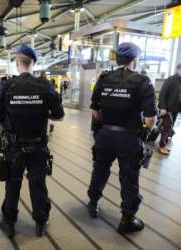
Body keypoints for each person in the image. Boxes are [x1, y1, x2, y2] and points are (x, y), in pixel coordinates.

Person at [0, 45, 64, 238]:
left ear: (17, 63)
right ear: (34, 63)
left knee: (13, 184)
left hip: (14, 146)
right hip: (38, 146)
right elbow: (60, 116)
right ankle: (41, 222)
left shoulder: (6, 87)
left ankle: (9, 223)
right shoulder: (45, 86)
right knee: (37, 184)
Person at [87, 42, 157, 234]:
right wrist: (142, 127)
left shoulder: (104, 78)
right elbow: (151, 120)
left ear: (117, 59)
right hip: (129, 138)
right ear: (135, 60)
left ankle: (93, 203)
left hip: (104, 136)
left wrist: (107, 123)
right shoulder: (143, 81)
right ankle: (127, 219)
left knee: (100, 170)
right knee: (129, 178)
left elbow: (94, 110)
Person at [158, 63, 181, 155]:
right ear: (177, 69)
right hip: (167, 108)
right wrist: (163, 107)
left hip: (176, 108)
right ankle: (161, 147)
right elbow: (162, 94)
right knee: (166, 127)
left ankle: (163, 145)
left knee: (170, 127)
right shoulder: (170, 79)